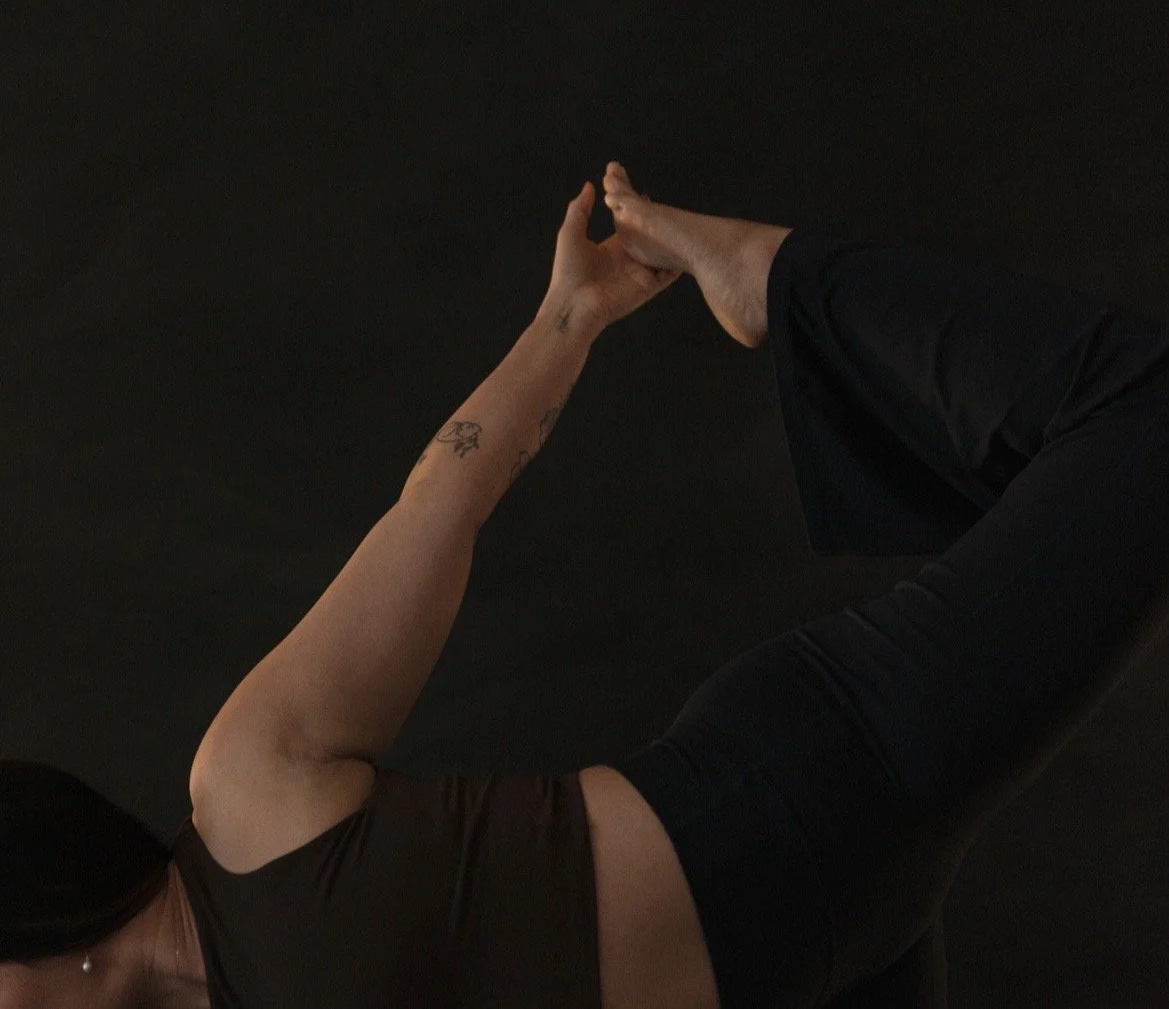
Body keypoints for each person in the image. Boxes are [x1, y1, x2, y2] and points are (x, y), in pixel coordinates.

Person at [4, 161, 1168, 1008]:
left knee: (1142, 416)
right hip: (794, 966)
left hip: (802, 802)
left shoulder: (248, 794)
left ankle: (781, 281)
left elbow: (437, 508)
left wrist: (570, 316)